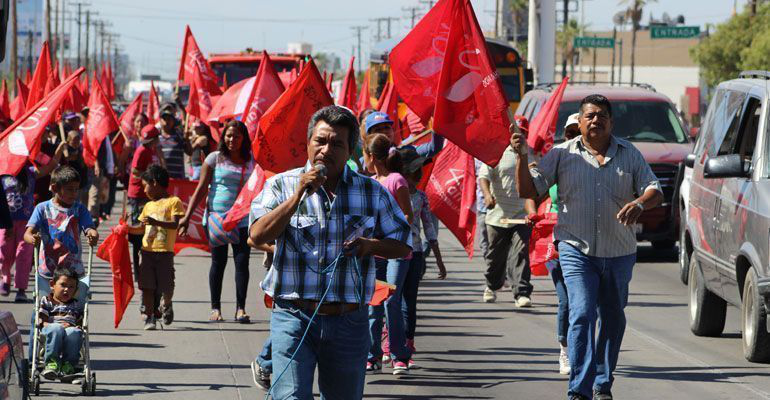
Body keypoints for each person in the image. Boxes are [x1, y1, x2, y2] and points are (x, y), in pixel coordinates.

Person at [249, 105, 412, 400]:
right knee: (290, 397)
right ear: (308, 143)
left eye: (337, 143)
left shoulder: (371, 192)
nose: (326, 149)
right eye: (320, 141)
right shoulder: (281, 185)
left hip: (349, 321)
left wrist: (370, 246)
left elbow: (403, 242)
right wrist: (298, 195)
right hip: (294, 317)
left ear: (350, 150)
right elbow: (257, 234)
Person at [512, 95, 663, 400]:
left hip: (619, 252)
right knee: (581, 313)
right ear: (579, 122)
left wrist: (638, 203)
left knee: (612, 316)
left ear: (611, 122)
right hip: (575, 249)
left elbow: (654, 189)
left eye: (602, 116)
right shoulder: (561, 155)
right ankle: (579, 389)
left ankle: (602, 384)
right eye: (590, 116)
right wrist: (520, 156)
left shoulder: (629, 153)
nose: (596, 120)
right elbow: (529, 190)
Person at [179, 120, 255, 323]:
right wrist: (187, 217)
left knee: (242, 263)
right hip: (217, 220)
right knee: (218, 263)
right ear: (223, 137)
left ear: (244, 139)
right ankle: (216, 309)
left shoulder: (251, 162)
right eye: (229, 135)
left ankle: (241, 309)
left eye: (237, 136)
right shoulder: (214, 159)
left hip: (243, 219)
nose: (232, 140)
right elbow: (201, 188)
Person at [363, 132, 414, 375]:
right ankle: (371, 355)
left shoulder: (396, 180)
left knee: (391, 301)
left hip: (396, 251)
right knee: (373, 303)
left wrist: (386, 234)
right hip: (375, 251)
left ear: (372, 156)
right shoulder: (372, 183)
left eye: (364, 155)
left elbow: (408, 216)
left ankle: (398, 355)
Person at [478, 117, 537, 306]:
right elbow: (483, 177)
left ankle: (521, 293)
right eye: (517, 132)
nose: (520, 136)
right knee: (496, 257)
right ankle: (492, 285)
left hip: (522, 215)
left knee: (520, 253)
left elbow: (537, 183)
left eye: (524, 133)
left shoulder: (532, 154)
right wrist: (487, 195)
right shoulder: (497, 153)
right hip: (498, 217)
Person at [399, 146, 447, 369]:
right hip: (390, 254)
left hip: (415, 254)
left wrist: (438, 259)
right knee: (389, 302)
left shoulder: (421, 197)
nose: (419, 176)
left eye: (420, 172)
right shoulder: (388, 191)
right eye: (415, 172)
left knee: (409, 302)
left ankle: (407, 344)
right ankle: (389, 343)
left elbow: (429, 229)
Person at [1, 144, 67, 302]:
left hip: (27, 223)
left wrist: (59, 150)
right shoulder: (3, 176)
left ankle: (21, 289)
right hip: (6, 221)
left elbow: (50, 166)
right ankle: (5, 278)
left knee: (23, 255)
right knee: (4, 252)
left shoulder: (31, 173)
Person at [545, 113, 581, 376]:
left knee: (589, 304)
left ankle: (586, 352)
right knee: (567, 300)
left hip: (591, 244)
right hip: (557, 242)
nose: (576, 138)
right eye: (571, 133)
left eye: (579, 133)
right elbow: (531, 190)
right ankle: (565, 350)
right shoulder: (556, 158)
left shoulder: (601, 161)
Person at [24, 166, 99, 280]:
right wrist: (33, 238)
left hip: (72, 271)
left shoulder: (80, 209)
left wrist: (93, 235)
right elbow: (27, 234)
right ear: (55, 188)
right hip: (48, 271)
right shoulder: (42, 208)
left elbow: (89, 228)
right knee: (46, 297)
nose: (74, 193)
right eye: (69, 189)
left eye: (76, 189)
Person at [137, 165, 184, 330]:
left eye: (145, 186)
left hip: (165, 252)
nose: (144, 190)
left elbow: (174, 224)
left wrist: (156, 222)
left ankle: (167, 304)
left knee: (167, 285)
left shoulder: (174, 202)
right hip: (147, 252)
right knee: (147, 286)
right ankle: (150, 316)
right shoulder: (148, 206)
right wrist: (125, 229)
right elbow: (141, 228)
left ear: (154, 183)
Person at [126, 125, 164, 287]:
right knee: (137, 235)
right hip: (138, 196)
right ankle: (138, 272)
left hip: (148, 195)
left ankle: (144, 269)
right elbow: (135, 171)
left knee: (147, 233)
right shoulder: (142, 150)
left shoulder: (152, 151)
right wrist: (148, 180)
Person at [37, 267, 84, 381]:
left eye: (71, 287)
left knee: (74, 332)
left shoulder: (76, 305)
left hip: (69, 329)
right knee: (56, 328)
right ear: (53, 284)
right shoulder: (47, 301)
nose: (67, 289)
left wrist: (76, 326)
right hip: (51, 329)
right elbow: (42, 320)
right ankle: (52, 363)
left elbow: (80, 321)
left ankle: (68, 365)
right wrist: (50, 324)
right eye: (63, 285)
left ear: (76, 290)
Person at [157, 105, 191, 179]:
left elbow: (189, 152)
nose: (167, 121)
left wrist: (187, 139)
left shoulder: (179, 136)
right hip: (161, 179)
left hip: (177, 178)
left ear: (173, 121)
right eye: (164, 119)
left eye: (169, 119)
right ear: (160, 120)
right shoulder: (156, 138)